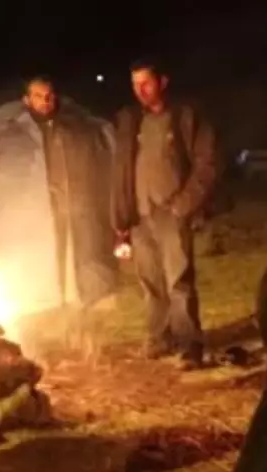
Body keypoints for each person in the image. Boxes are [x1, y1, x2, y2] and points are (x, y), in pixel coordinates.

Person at [0, 75, 118, 357]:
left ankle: (79, 337)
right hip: (29, 220)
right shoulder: (8, 130)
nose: (45, 101)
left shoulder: (74, 127)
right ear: (26, 99)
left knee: (76, 278)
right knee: (29, 281)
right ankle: (26, 343)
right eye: (39, 96)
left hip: (69, 215)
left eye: (49, 96)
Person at [111, 57, 220, 370]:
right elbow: (120, 170)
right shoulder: (130, 120)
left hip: (173, 214)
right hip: (140, 215)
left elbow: (207, 164)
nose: (140, 90)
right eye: (135, 84)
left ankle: (189, 345)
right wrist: (121, 217)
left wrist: (184, 205)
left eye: (146, 83)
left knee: (179, 282)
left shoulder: (186, 116)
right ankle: (160, 337)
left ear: (163, 82)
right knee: (150, 283)